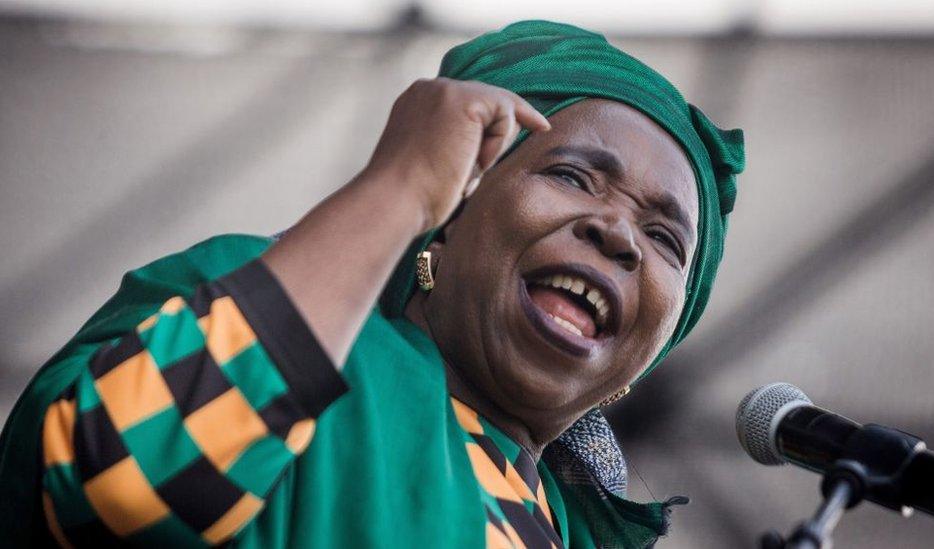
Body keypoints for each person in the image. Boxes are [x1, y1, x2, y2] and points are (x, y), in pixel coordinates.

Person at [0, 20, 744, 548]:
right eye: (573, 175)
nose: (616, 233)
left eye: (664, 237)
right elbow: (124, 477)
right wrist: (396, 189)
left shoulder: (566, 527)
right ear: (451, 208)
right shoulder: (260, 309)